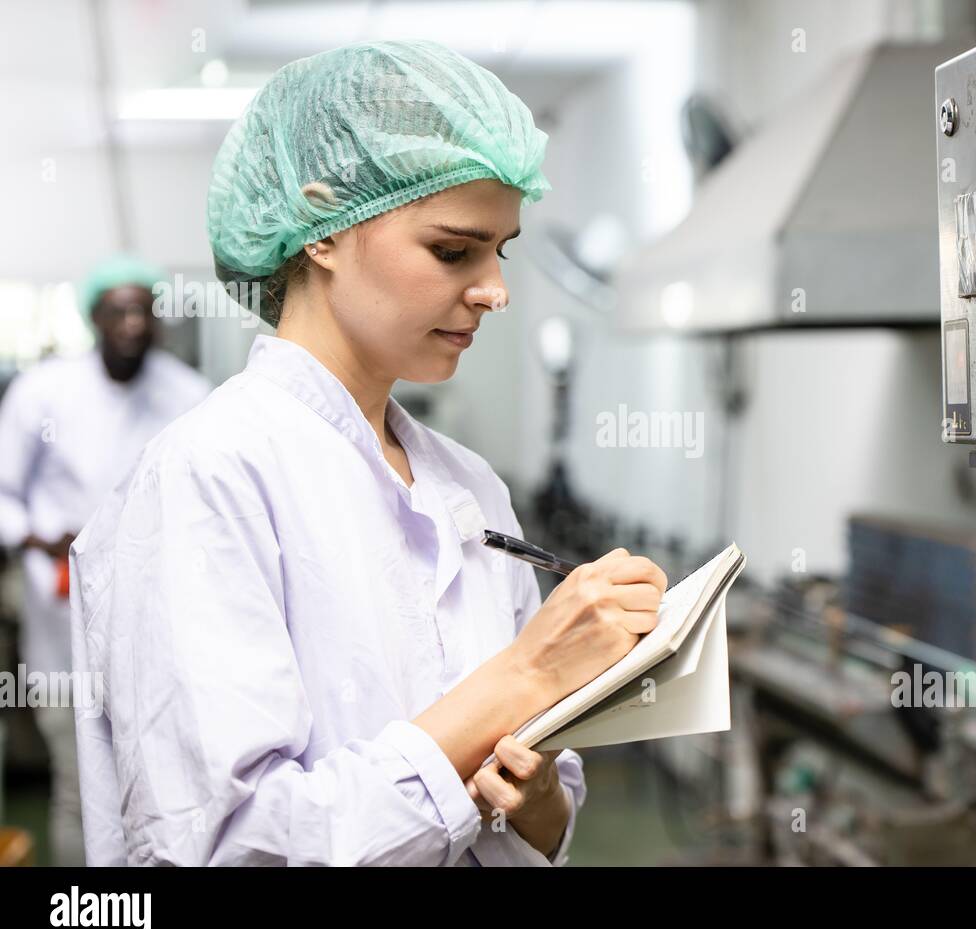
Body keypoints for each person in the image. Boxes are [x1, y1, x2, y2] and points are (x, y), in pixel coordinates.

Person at [69, 39, 667, 866]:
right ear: (321, 227)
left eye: (503, 250)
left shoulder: (470, 486)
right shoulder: (208, 476)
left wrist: (535, 802)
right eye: (453, 250)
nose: (495, 289)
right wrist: (526, 674)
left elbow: (545, 806)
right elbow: (221, 846)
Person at [0, 254, 210, 865]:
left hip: (161, 622)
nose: (132, 323)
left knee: (163, 787)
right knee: (76, 784)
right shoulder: (44, 390)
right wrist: (39, 537)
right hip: (59, 619)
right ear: (93, 317)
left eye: (143, 309)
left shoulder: (187, 395)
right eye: (117, 310)